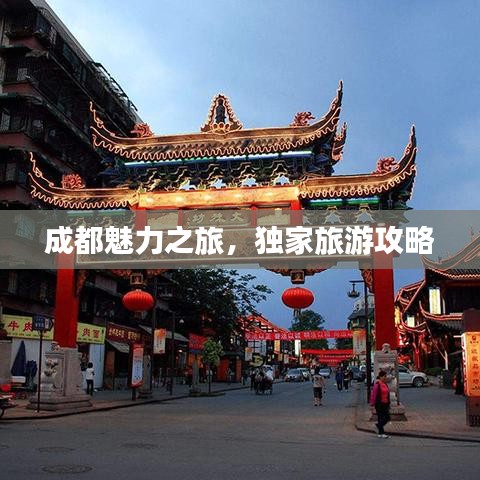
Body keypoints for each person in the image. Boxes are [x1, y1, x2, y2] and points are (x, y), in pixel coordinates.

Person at [370, 370, 391, 438]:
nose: (385, 377)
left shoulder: (385, 384)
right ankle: (380, 431)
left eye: (386, 376)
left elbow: (387, 394)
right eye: (384, 376)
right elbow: (374, 394)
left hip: (385, 403)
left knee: (385, 418)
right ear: (380, 377)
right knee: (383, 418)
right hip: (379, 404)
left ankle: (380, 431)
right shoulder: (377, 384)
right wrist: (372, 403)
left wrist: (388, 402)